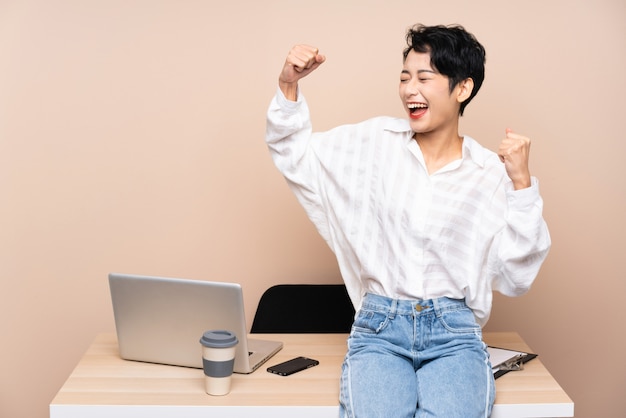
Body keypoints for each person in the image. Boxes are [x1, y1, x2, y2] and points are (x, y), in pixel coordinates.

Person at [265, 24, 550, 418]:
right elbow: (294, 153)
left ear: (462, 88)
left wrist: (521, 183)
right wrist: (288, 85)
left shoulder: (489, 172)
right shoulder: (374, 143)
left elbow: (517, 277)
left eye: (424, 77)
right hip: (380, 330)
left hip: (454, 334)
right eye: (404, 77)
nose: (409, 89)